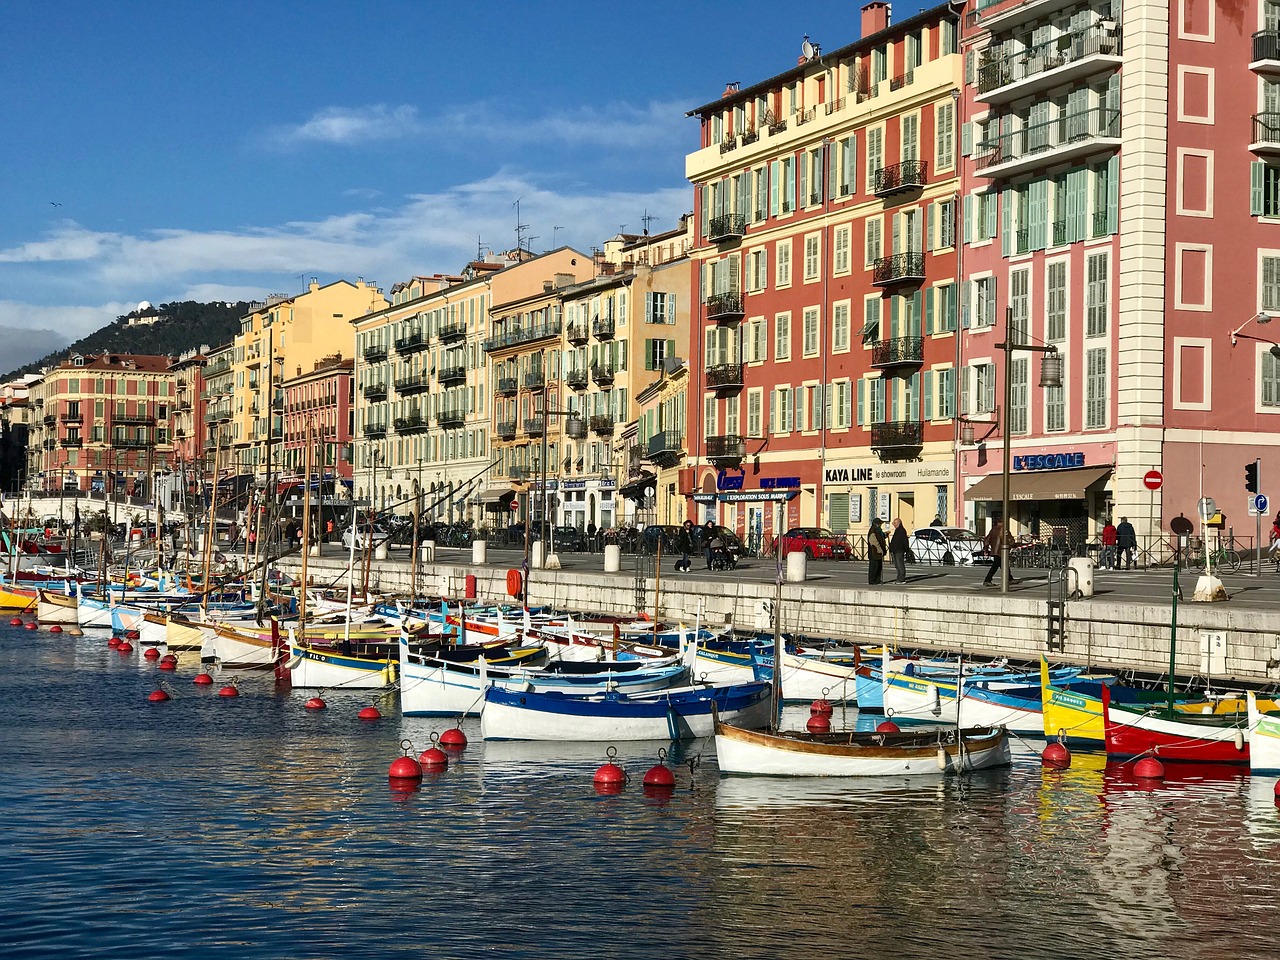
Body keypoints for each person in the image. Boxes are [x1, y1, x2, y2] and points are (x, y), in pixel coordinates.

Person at [983, 519, 1007, 586]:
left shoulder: (993, 530)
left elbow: (986, 539)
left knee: (1003, 564)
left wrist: (986, 549)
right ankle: (987, 580)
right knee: (996, 566)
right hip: (1001, 550)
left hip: (995, 550)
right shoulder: (1004, 530)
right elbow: (1010, 540)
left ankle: (1010, 578)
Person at [867, 518, 888, 585]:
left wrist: (885, 535)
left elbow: (880, 537)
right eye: (879, 524)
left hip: (877, 553)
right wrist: (880, 550)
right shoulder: (873, 531)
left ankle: (877, 580)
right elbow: (874, 542)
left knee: (879, 567)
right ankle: (872, 580)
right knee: (874, 567)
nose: (880, 525)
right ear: (876, 524)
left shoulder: (878, 531)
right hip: (874, 552)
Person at [889, 518, 910, 584]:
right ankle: (899, 578)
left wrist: (906, 550)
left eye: (895, 523)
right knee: (897, 565)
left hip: (899, 550)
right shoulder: (897, 530)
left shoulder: (902, 531)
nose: (894, 525)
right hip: (895, 550)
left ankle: (901, 579)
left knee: (900, 565)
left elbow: (905, 541)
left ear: (899, 523)